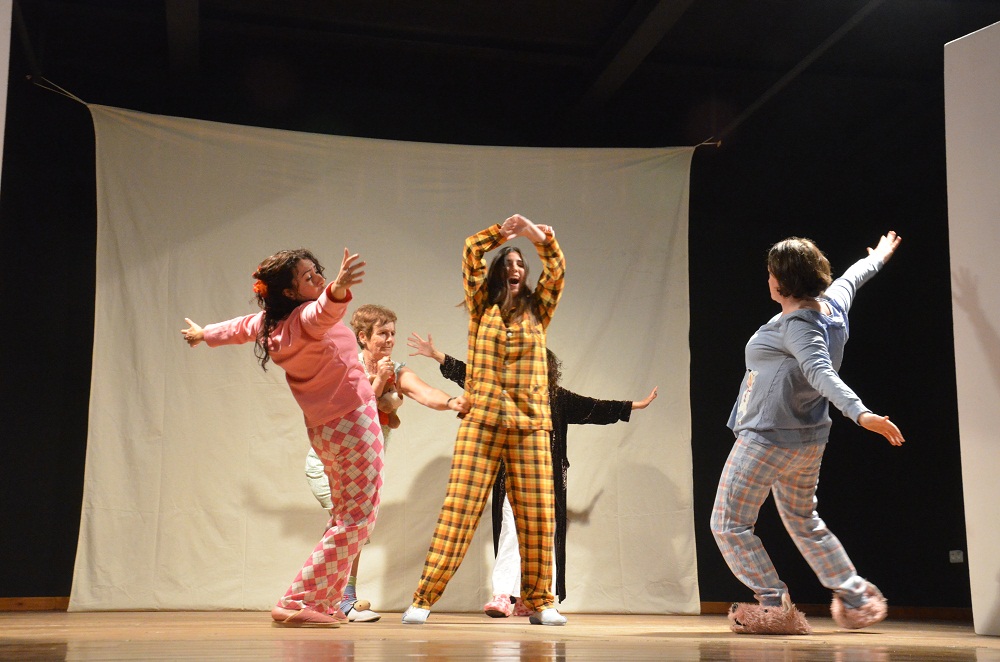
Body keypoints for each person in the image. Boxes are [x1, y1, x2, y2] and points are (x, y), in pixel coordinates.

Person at [710, 231, 905, 635]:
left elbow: (820, 372)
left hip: (768, 438)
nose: (767, 279)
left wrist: (861, 414)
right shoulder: (831, 305)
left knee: (728, 523)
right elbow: (853, 277)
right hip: (808, 441)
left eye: (771, 273)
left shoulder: (799, 325)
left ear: (782, 281)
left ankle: (772, 605)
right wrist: (879, 256)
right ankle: (856, 596)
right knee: (804, 520)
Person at [181, 247, 382, 628]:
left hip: (324, 428)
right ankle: (297, 600)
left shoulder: (271, 324)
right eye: (308, 277)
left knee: (346, 517)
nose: (318, 278)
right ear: (289, 292)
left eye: (317, 271)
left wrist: (203, 334)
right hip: (353, 420)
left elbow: (239, 327)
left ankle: (323, 600)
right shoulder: (305, 320)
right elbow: (323, 310)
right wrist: (337, 287)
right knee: (358, 519)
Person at [407, 333, 657, 616]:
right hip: (510, 476)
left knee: (542, 537)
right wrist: (437, 355)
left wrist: (633, 405)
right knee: (511, 530)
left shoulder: (557, 398)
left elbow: (595, 407)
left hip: (546, 480)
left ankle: (532, 599)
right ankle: (503, 594)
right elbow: (468, 375)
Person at [401, 213, 567, 626]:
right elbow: (471, 251)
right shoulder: (481, 306)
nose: (515, 268)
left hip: (530, 424)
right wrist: (501, 233)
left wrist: (537, 236)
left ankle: (540, 602)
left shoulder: (539, 309)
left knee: (538, 515)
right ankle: (423, 599)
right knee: (459, 511)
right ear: (497, 274)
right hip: (483, 420)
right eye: (508, 263)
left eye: (521, 264)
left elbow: (557, 270)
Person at [304, 304, 468, 623]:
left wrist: (451, 402)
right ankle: (340, 600)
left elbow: (424, 393)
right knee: (351, 527)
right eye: (382, 333)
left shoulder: (396, 370)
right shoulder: (346, 367)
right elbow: (357, 405)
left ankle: (331, 597)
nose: (390, 339)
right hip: (330, 465)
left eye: (392, 333)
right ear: (363, 337)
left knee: (350, 530)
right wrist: (378, 380)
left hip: (360, 467)